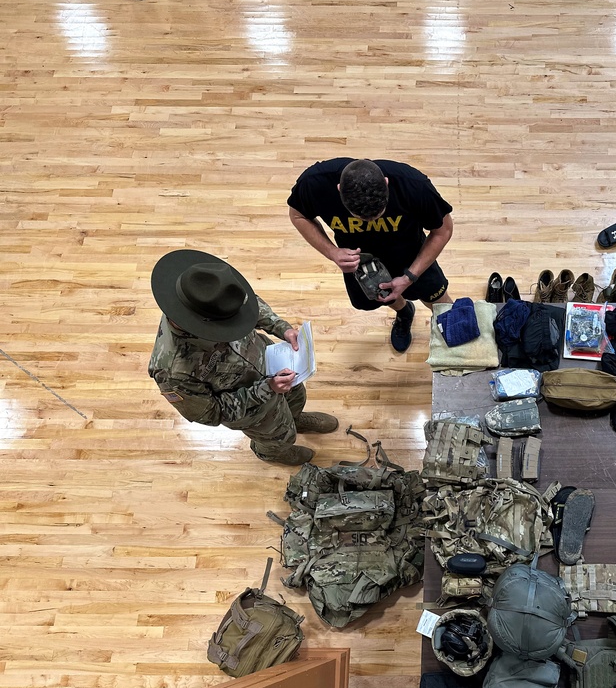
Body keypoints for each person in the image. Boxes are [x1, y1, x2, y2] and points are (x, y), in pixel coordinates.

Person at [148, 250, 339, 466]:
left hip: (274, 363)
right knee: (277, 437)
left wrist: (281, 328)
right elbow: (211, 413)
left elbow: (247, 306)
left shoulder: (214, 295)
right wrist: (267, 389)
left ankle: (294, 419)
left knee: (296, 397)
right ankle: (274, 452)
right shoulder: (173, 370)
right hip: (252, 409)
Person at [287, 158, 454, 353]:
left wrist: (410, 277)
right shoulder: (314, 182)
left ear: (386, 182)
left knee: (439, 300)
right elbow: (298, 215)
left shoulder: (413, 184)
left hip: (411, 253)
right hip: (362, 261)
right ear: (338, 189)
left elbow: (443, 231)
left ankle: (454, 333)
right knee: (382, 296)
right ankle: (404, 312)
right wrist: (332, 252)